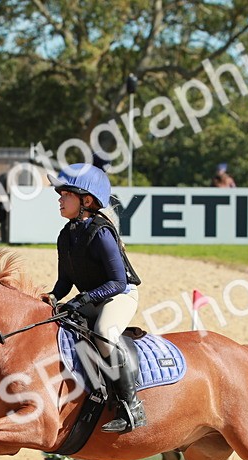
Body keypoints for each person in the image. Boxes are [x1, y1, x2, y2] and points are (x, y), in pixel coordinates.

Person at [41, 162, 146, 433]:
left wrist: (82, 299)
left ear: (86, 200)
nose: (60, 201)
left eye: (66, 195)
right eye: (60, 196)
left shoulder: (100, 232)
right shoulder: (66, 235)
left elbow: (117, 281)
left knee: (102, 333)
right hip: (92, 297)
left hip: (119, 295)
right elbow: (65, 281)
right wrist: (52, 296)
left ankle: (130, 405)